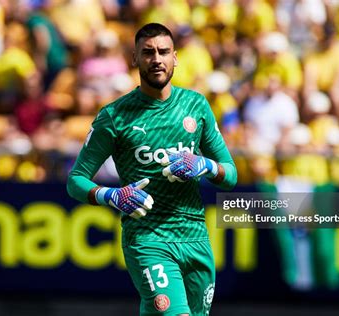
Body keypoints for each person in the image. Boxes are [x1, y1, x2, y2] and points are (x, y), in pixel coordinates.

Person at [67, 23, 237, 315]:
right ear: (134, 58)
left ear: (175, 57)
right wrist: (112, 196)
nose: (156, 59)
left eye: (163, 51)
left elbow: (230, 175)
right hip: (147, 237)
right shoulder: (114, 116)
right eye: (147, 52)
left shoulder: (195, 105)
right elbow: (76, 180)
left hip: (195, 235)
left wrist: (205, 165)